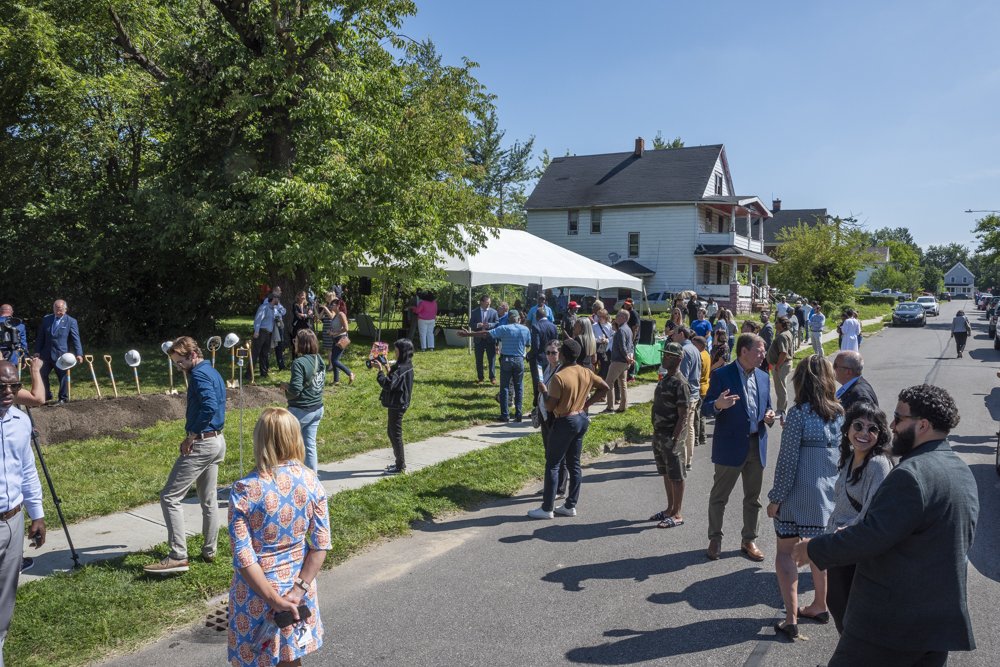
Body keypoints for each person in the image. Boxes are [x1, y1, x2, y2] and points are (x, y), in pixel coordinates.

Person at [793, 384, 978, 667]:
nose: (891, 425)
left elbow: (870, 535)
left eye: (898, 418)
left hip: (891, 626)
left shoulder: (911, 475)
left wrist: (813, 548)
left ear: (923, 425)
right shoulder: (961, 470)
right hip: (937, 627)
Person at [227, 407, 331, 667]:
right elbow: (321, 544)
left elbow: (243, 556)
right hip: (299, 589)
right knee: (291, 659)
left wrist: (275, 600)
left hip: (257, 593)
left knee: (253, 659)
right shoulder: (311, 482)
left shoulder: (245, 490)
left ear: (260, 438)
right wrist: (298, 591)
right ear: (295, 437)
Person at [765, 355, 845, 640]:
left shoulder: (798, 414)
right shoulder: (839, 413)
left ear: (801, 381)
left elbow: (787, 462)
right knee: (818, 553)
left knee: (785, 552)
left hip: (798, 495)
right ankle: (821, 606)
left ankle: (790, 618)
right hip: (827, 497)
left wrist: (776, 498)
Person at [145, 337, 226, 574]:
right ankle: (209, 551)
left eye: (180, 362)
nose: (178, 367)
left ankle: (178, 555)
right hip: (217, 440)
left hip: (202, 443)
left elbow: (210, 406)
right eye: (175, 363)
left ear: (192, 355)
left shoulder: (200, 375)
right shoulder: (211, 370)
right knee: (209, 498)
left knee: (169, 496)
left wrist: (192, 435)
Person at [701, 333, 776, 562]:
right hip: (730, 444)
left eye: (764, 351)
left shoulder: (764, 377)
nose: (764, 355)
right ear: (744, 351)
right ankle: (715, 538)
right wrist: (717, 405)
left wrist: (770, 416)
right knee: (719, 496)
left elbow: (768, 408)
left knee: (753, 497)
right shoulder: (722, 374)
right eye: (760, 351)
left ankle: (749, 539)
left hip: (756, 443)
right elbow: (705, 409)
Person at [824, 401, 892, 635]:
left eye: (872, 428)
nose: (864, 433)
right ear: (847, 429)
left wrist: (841, 538)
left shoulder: (877, 464)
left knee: (852, 619)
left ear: (880, 435)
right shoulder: (850, 455)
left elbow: (871, 513)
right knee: (839, 608)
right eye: (859, 425)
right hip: (838, 548)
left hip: (854, 551)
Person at [527, 339, 609, 519]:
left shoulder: (559, 377)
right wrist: (588, 402)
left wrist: (544, 391)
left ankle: (547, 508)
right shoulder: (586, 371)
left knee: (553, 464)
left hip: (564, 421)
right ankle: (570, 505)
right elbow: (605, 387)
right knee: (574, 464)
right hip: (581, 417)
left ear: (562, 355)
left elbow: (549, 406)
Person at [0, 360, 46, 652]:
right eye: (2, 386)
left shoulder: (21, 421)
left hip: (14, 521)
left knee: (5, 603)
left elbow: (27, 469)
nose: (9, 391)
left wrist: (37, 515)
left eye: (14, 385)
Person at [458, 311, 531, 422]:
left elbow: (486, 334)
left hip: (506, 359)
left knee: (505, 387)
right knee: (518, 387)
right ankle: (519, 414)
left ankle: (505, 415)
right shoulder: (525, 329)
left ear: (508, 320)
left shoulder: (504, 328)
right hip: (519, 360)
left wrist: (468, 334)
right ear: (519, 320)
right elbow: (528, 344)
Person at [648, 342, 690, 528]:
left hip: (671, 436)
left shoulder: (681, 383)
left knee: (676, 474)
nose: (664, 358)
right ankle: (669, 509)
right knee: (666, 471)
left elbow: (683, 416)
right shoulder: (665, 379)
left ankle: (677, 514)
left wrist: (674, 438)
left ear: (678, 359)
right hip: (659, 434)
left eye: (668, 356)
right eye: (663, 355)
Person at [279, 330, 326, 472]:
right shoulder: (319, 359)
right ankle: (312, 479)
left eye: (296, 340)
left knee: (285, 445)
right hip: (317, 407)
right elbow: (321, 382)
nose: (294, 343)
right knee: (309, 445)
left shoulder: (298, 363)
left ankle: (286, 477)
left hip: (301, 410)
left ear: (302, 343)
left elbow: (295, 390)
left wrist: (284, 386)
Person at [374, 338, 414, 475]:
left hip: (397, 404)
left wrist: (380, 371)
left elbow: (388, 384)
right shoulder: (406, 365)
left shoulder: (401, 368)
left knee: (395, 434)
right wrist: (387, 368)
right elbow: (397, 380)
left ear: (402, 352)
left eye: (396, 350)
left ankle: (400, 466)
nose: (394, 353)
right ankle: (399, 461)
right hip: (400, 403)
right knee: (391, 432)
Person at [33, 299, 82, 403]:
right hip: (46, 353)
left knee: (63, 377)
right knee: (42, 374)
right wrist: (37, 350)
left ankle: (62, 398)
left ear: (66, 309)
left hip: (61, 355)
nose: (58, 312)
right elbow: (41, 336)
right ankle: (47, 394)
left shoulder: (71, 321)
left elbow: (75, 339)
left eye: (60, 310)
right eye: (56, 310)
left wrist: (79, 354)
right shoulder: (47, 319)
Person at [537, 340, 569, 497]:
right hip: (545, 414)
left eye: (554, 352)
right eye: (548, 352)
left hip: (555, 414)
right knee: (549, 453)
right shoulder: (545, 368)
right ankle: (550, 485)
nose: (550, 355)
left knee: (559, 454)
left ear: (560, 354)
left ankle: (560, 489)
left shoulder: (561, 370)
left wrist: (544, 392)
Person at [675, 327, 701, 469]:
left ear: (682, 334)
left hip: (687, 395)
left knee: (683, 427)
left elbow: (682, 376)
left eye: (674, 334)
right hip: (694, 392)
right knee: (689, 426)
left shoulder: (684, 351)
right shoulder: (695, 348)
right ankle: (688, 460)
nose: (673, 336)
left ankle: (682, 459)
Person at [317, 297, 353, 386]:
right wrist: (331, 331)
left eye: (332, 305)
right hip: (335, 339)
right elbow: (336, 326)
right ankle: (336, 380)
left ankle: (350, 373)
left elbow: (346, 328)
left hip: (341, 339)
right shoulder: (336, 315)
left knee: (335, 361)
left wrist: (335, 333)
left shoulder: (341, 315)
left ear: (338, 306)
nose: (331, 306)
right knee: (334, 360)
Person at [529, 309, 558, 414]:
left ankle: (538, 407)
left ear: (537, 316)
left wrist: (529, 355)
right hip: (552, 359)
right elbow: (556, 343)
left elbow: (535, 346)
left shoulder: (536, 326)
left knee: (539, 383)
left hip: (539, 360)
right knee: (550, 382)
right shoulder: (554, 327)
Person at [604, 310, 633, 412]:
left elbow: (623, 347)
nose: (615, 317)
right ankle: (623, 406)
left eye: (618, 315)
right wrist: (630, 358)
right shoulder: (628, 329)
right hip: (625, 361)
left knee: (609, 382)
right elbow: (631, 346)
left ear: (623, 318)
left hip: (618, 361)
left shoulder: (621, 330)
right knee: (622, 383)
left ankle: (610, 407)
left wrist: (627, 358)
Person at [767, 316, 795, 420]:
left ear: (782, 324)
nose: (775, 324)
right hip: (783, 364)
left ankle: (781, 411)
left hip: (782, 364)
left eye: (777, 322)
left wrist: (778, 366)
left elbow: (783, 352)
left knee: (780, 389)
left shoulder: (783, 336)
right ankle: (780, 409)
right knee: (780, 387)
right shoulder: (784, 334)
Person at [469, 295, 499, 385]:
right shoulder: (474, 312)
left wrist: (489, 325)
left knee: (492, 359)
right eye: (487, 302)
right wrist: (478, 325)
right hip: (479, 339)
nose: (489, 304)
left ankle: (492, 377)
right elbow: (471, 324)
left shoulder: (494, 312)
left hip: (490, 339)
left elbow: (497, 323)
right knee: (479, 359)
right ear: (481, 302)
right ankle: (480, 378)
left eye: (489, 302)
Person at [252, 293, 279, 379]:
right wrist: (256, 331)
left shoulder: (272, 309)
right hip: (261, 332)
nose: (279, 300)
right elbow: (258, 319)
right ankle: (249, 373)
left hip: (268, 334)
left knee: (264, 354)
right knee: (255, 353)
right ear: (273, 299)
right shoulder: (264, 307)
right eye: (277, 299)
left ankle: (263, 372)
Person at [691, 336, 711, 448]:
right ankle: (702, 436)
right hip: (705, 386)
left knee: (696, 415)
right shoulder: (706, 354)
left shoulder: (699, 356)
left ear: (698, 346)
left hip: (699, 387)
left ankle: (696, 438)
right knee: (702, 414)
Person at [270, 286, 288, 372]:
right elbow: (272, 312)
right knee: (269, 346)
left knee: (279, 345)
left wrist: (280, 310)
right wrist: (279, 311)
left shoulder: (278, 302)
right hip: (272, 326)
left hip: (279, 325)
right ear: (275, 291)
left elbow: (284, 311)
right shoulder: (268, 300)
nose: (281, 292)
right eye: (279, 290)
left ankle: (281, 365)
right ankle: (266, 366)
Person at [290, 291, 314, 360]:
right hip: (298, 326)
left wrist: (304, 315)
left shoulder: (307, 305)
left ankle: (306, 358)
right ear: (298, 296)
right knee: (296, 343)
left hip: (306, 326)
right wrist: (306, 315)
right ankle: (294, 359)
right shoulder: (295, 305)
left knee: (306, 342)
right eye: (302, 296)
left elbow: (311, 316)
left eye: (304, 296)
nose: (303, 297)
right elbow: (297, 317)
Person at [592, 309, 613, 381]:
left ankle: (603, 380)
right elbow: (591, 335)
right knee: (593, 363)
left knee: (605, 364)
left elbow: (613, 337)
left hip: (605, 347)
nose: (599, 318)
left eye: (601, 316)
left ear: (606, 316)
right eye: (598, 316)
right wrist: (593, 339)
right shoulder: (594, 326)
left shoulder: (609, 326)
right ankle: (592, 380)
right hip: (595, 346)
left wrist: (606, 340)